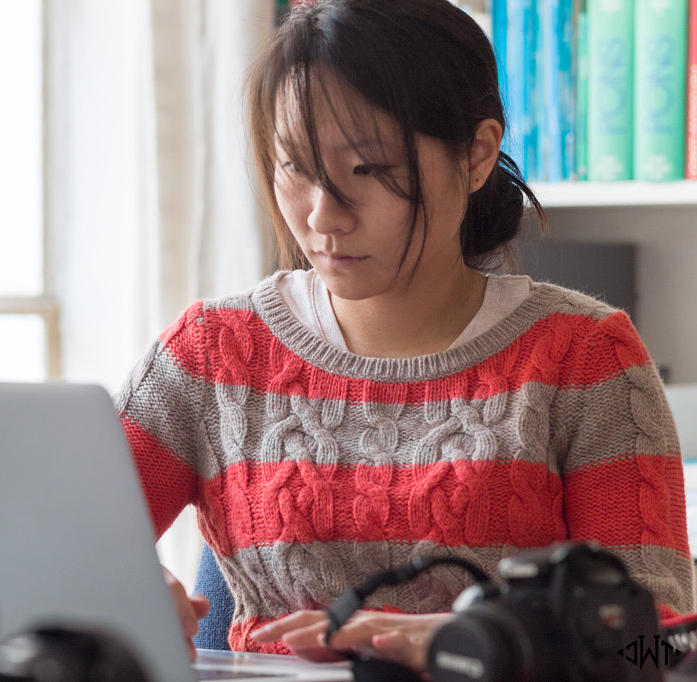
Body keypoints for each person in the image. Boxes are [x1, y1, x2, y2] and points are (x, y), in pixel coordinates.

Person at [114, 0, 696, 673]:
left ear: (476, 155)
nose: (323, 216)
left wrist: (474, 642)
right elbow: (53, 545)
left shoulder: (585, 361)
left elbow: (663, 646)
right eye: (295, 169)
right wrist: (117, 588)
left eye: (367, 170)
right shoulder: (211, 354)